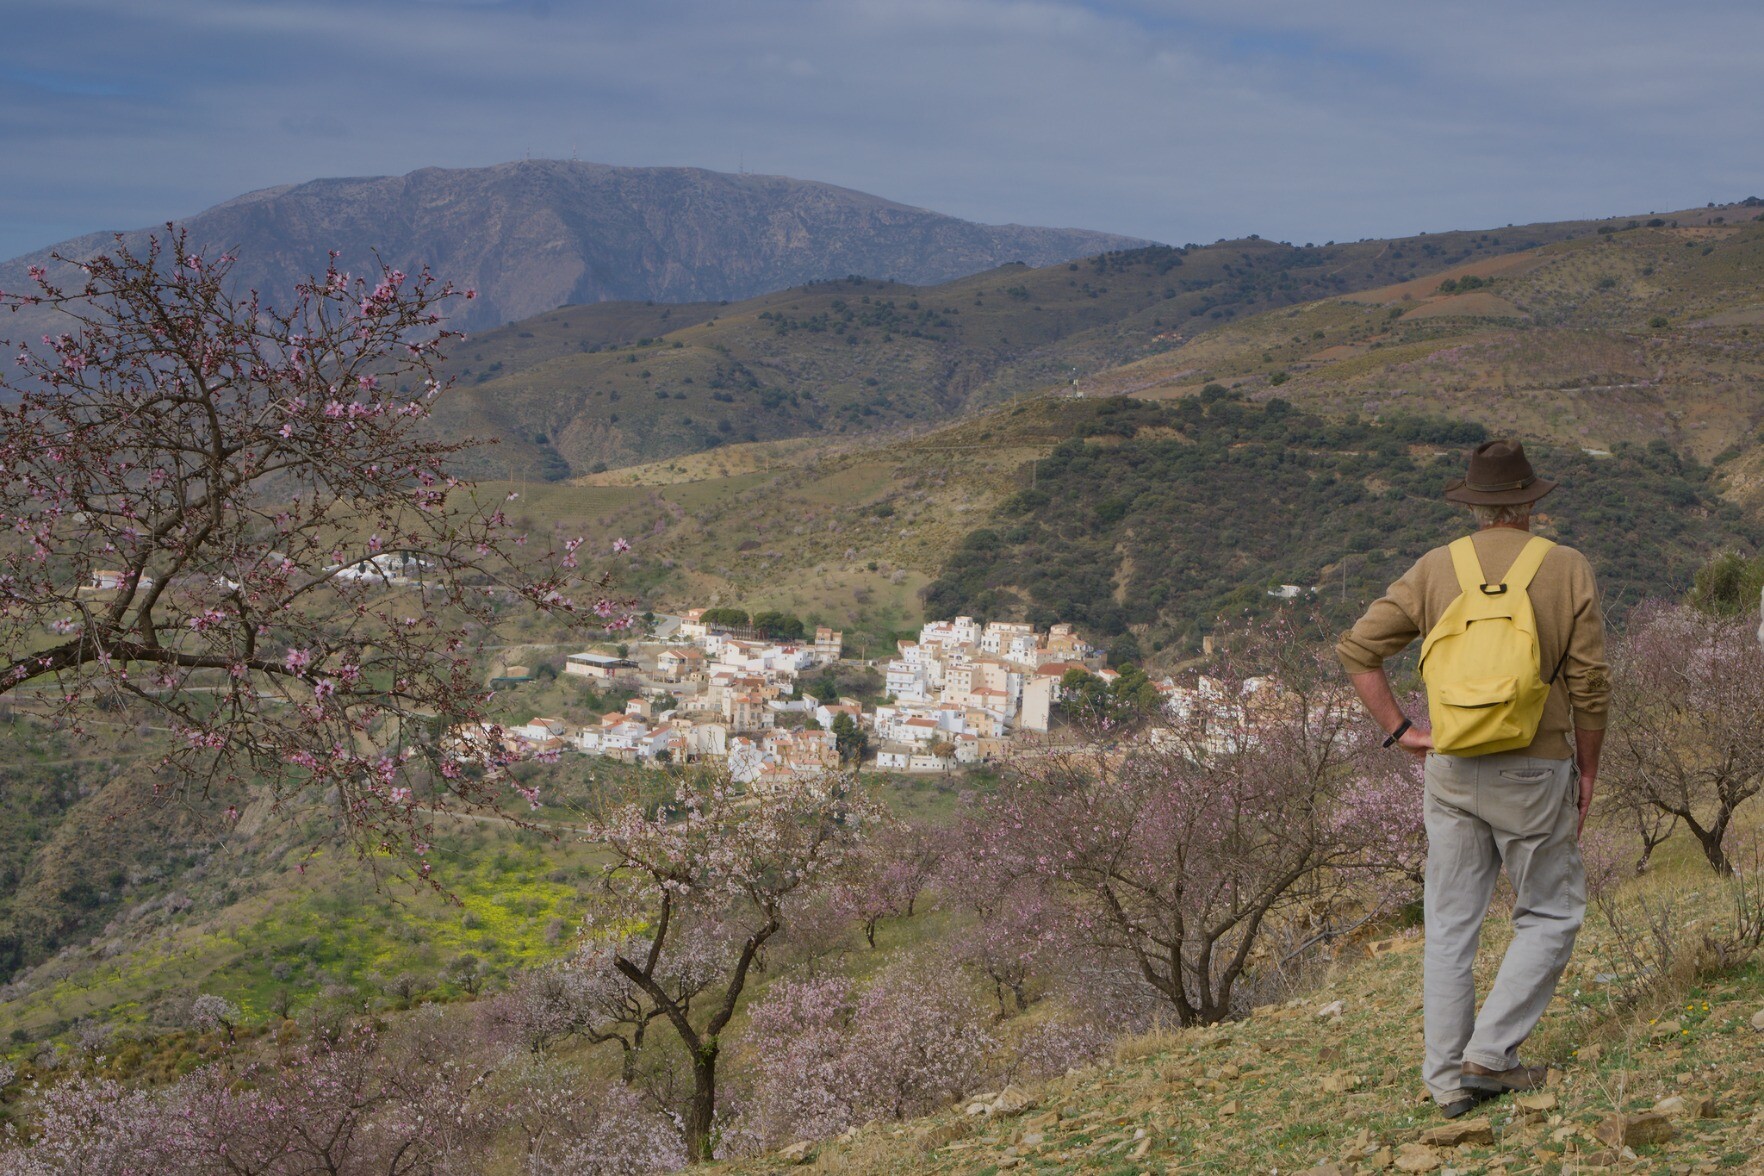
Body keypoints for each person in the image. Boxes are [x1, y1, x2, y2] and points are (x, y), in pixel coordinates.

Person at [1336, 438, 1609, 1119]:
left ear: (1477, 505)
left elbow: (1357, 649)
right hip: (1534, 764)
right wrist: (1590, 764)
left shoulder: (1436, 568)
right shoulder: (1566, 567)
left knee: (1451, 925)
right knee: (1549, 911)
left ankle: (1446, 1084)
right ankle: (1491, 1054)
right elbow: (1590, 684)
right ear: (1528, 503)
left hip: (1451, 766)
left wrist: (1403, 732)